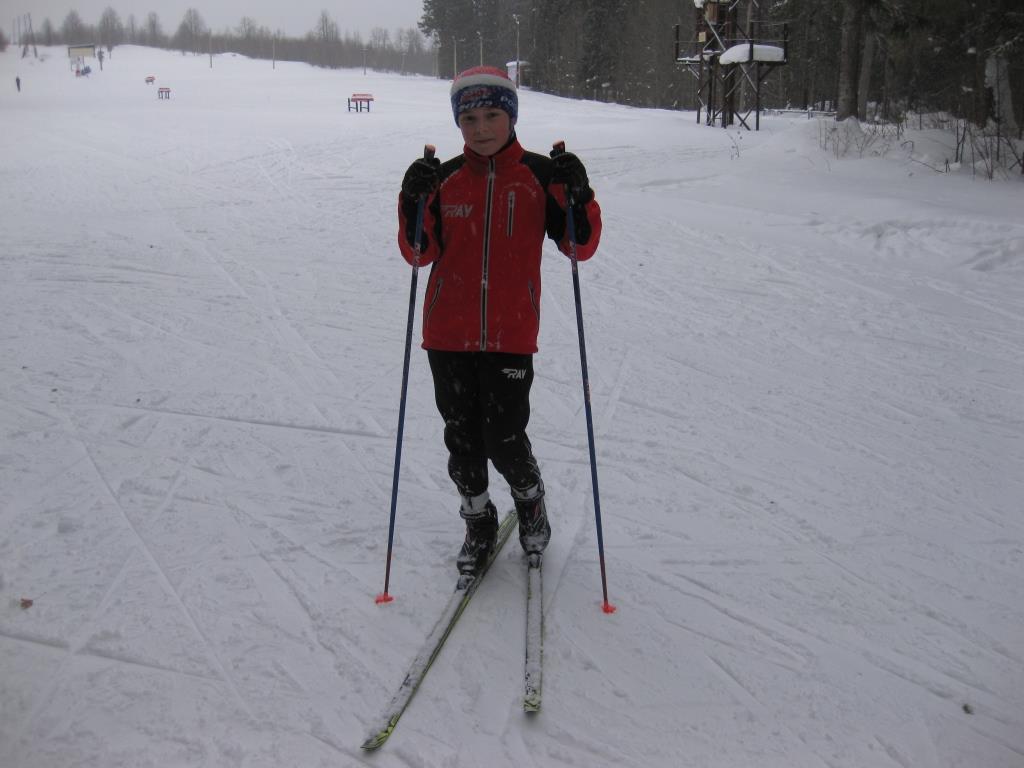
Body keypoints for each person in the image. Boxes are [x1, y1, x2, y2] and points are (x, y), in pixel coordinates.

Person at [397, 66, 602, 577]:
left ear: (511, 117)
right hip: (447, 334)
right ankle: (478, 520)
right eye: (469, 119)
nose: (481, 128)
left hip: (511, 334)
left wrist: (578, 195)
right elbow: (420, 253)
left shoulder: (539, 175)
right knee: (462, 440)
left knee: (505, 437)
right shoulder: (444, 179)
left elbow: (579, 246)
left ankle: (530, 503)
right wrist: (411, 200)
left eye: (492, 115)